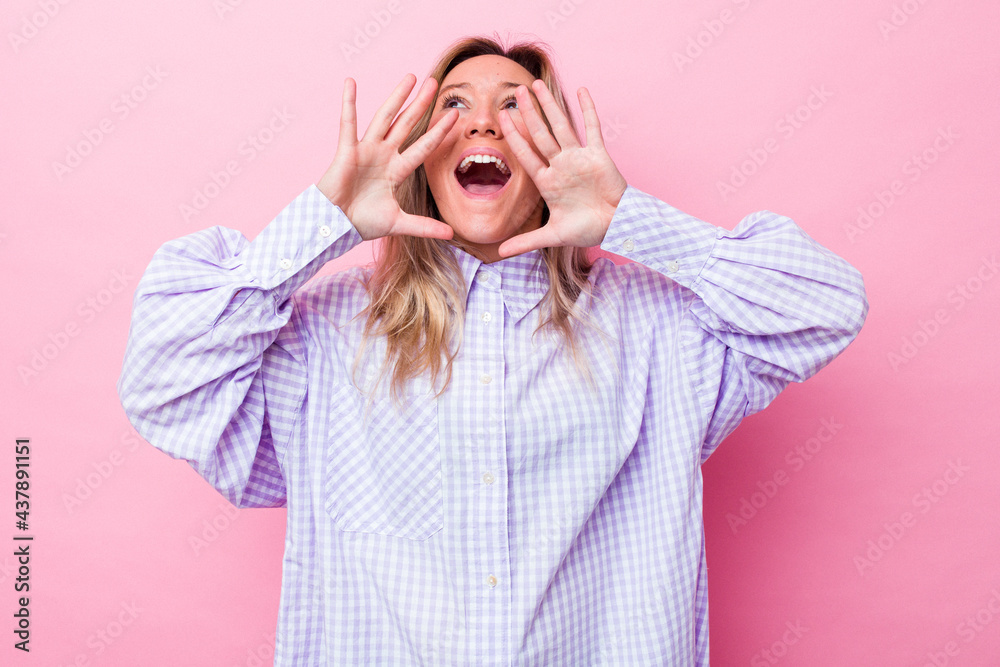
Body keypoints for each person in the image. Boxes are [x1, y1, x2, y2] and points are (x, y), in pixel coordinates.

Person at [117, 34, 868, 666]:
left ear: (553, 155)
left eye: (516, 106)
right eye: (454, 105)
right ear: (418, 155)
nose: (482, 124)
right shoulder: (325, 334)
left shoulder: (661, 329)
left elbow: (827, 305)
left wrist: (628, 219)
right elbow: (164, 381)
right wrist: (324, 224)